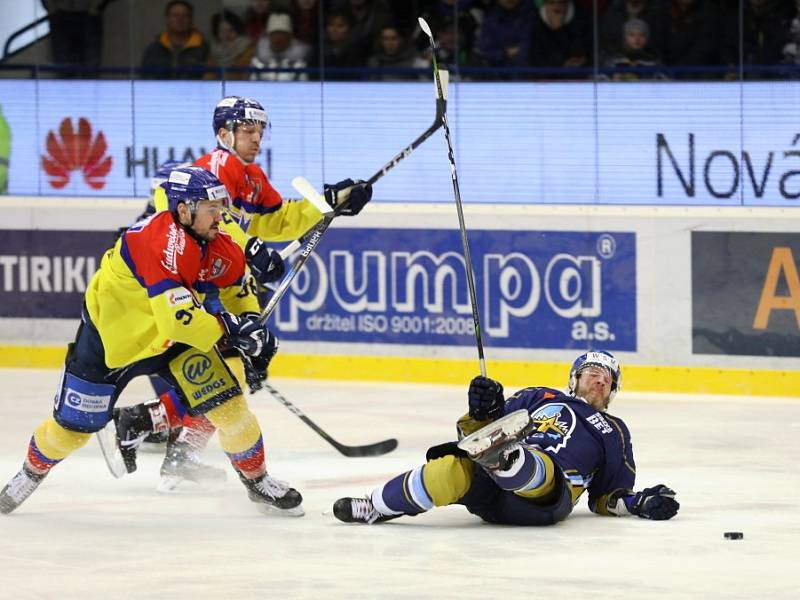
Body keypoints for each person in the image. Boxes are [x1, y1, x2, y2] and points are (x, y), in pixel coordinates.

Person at [0, 166, 304, 517]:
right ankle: (29, 473)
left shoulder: (216, 240)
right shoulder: (159, 242)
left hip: (173, 343)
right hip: (111, 344)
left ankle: (257, 481)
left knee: (230, 407)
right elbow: (177, 319)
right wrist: (234, 329)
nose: (221, 216)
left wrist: (250, 322)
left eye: (222, 206)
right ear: (184, 210)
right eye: (212, 208)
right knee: (72, 431)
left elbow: (237, 289)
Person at [103, 96, 373, 491]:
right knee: (225, 374)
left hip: (218, 278)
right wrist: (248, 247)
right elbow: (180, 208)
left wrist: (327, 202)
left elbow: (278, 220)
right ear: (223, 133)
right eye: (248, 130)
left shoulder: (250, 175)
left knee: (232, 373)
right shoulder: (214, 166)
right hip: (190, 280)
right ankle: (151, 428)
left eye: (261, 131)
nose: (256, 138)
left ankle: (168, 443)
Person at [333, 350, 680, 525]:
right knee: (449, 470)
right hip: (492, 494)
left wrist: (640, 504)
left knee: (527, 462)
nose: (599, 381)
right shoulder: (538, 396)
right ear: (573, 378)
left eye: (607, 380)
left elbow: (607, 496)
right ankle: (375, 506)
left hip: (546, 498)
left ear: (612, 393)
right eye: (592, 373)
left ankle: (506, 460)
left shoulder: (613, 429)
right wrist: (482, 412)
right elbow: (481, 433)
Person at [140, 0, 210, 80]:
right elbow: (145, 78)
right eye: (175, 15)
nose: (180, 19)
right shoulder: (153, 49)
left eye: (185, 16)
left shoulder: (204, 49)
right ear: (167, 19)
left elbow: (210, 79)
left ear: (191, 20)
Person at [251, 12, 312, 81]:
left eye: (282, 34)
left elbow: (303, 87)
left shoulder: (299, 63)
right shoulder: (258, 62)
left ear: (289, 37)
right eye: (275, 34)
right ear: (269, 36)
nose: (278, 38)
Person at [206, 9, 256, 80]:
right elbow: (208, 78)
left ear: (238, 31)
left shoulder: (248, 50)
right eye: (222, 31)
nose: (227, 35)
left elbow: (241, 76)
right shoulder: (213, 53)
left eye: (231, 30)